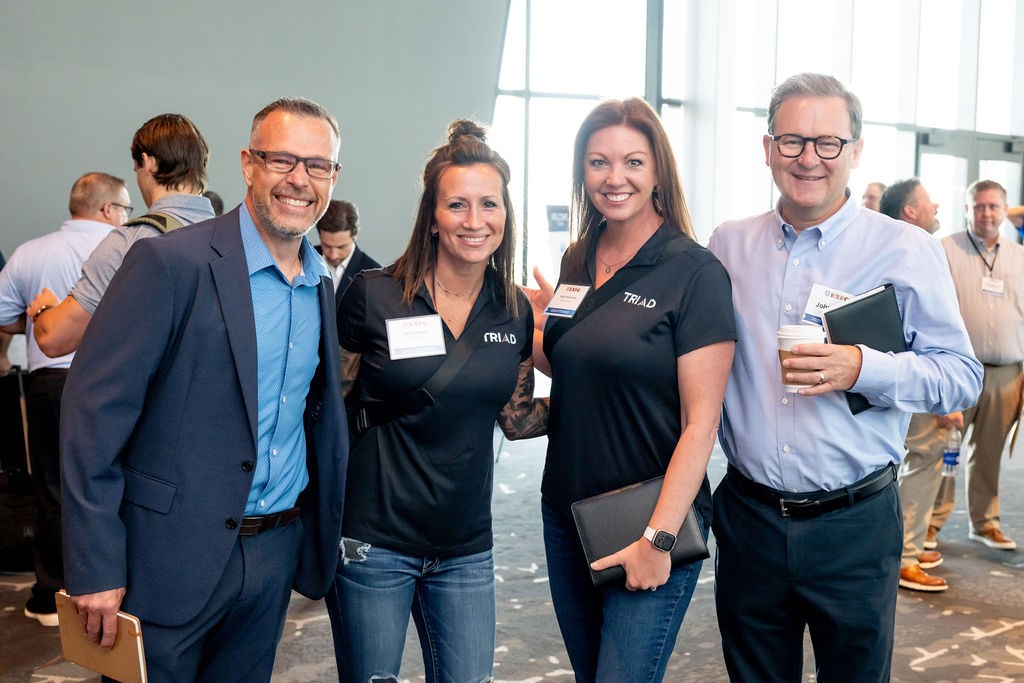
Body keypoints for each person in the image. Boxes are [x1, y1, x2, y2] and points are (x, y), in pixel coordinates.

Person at [59, 97, 348, 682]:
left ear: (333, 178)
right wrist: (93, 564)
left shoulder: (318, 283)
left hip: (273, 552)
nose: (299, 179)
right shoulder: (169, 263)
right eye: (282, 160)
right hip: (168, 554)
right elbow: (94, 411)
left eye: (317, 165)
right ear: (248, 164)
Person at [708, 73, 981, 682]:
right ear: (767, 148)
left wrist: (866, 366)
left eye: (828, 142)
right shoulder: (727, 246)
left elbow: (962, 376)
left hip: (854, 523)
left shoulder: (906, 249)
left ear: (855, 151)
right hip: (749, 519)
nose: (809, 158)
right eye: (792, 141)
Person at [326, 120, 546, 683]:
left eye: (488, 204)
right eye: (457, 205)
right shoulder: (373, 294)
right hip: (374, 541)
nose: (474, 221)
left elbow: (517, 418)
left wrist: (611, 402)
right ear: (432, 216)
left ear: (505, 214)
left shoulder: (513, 310)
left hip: (466, 546)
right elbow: (330, 406)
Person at [526, 97, 736, 681]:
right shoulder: (577, 258)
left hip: (647, 517)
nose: (614, 178)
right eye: (598, 162)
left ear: (658, 172)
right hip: (565, 509)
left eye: (632, 162)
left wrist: (660, 538)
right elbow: (578, 366)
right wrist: (534, 331)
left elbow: (703, 421)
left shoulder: (694, 273)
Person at [0, 172, 127, 626]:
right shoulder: (125, 246)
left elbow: (3, 317)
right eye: (126, 208)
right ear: (109, 209)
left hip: (47, 384)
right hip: (111, 380)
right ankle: (111, 582)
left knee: (52, 486)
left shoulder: (29, 252)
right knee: (111, 481)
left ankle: (51, 592)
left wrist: (42, 316)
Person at [30, 114, 215, 358]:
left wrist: (43, 310)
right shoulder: (234, 241)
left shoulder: (132, 240)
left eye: (136, 168)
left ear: (148, 162)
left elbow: (55, 338)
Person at [927, 180, 1024, 553]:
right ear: (966, 209)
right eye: (978, 206)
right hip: (956, 372)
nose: (985, 213)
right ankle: (930, 525)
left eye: (993, 207)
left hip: (1005, 373)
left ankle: (985, 523)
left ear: (1004, 210)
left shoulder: (1018, 256)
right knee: (942, 449)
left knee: (990, 451)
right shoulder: (944, 250)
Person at [878, 178, 954, 591]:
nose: (937, 204)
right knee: (923, 460)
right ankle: (906, 553)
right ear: (910, 211)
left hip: (908, 378)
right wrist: (943, 395)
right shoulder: (910, 250)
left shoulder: (901, 246)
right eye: (929, 201)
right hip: (916, 380)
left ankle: (914, 541)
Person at [315, 198, 381, 297]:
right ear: (320, 235)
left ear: (355, 236)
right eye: (327, 246)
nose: (333, 255)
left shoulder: (374, 274)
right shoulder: (302, 260)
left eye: (341, 247)